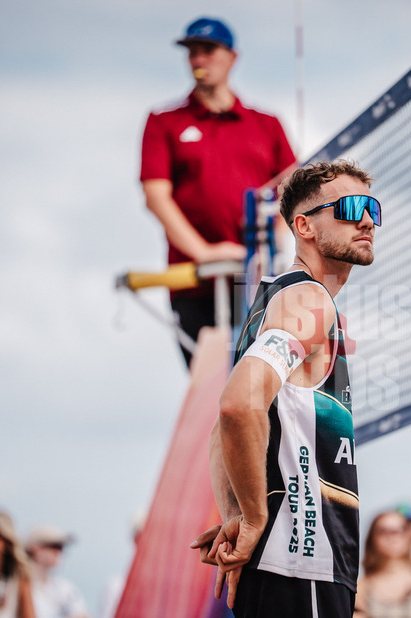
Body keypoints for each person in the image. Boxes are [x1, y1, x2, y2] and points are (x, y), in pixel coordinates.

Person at [190, 160, 378, 618]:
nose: (367, 222)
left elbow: (220, 431)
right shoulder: (308, 299)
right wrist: (252, 520)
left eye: (373, 210)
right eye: (351, 209)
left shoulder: (272, 302)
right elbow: (236, 407)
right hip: (303, 558)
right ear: (304, 225)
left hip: (282, 562)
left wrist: (236, 513)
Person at [140, 17, 297, 366]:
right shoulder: (164, 122)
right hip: (196, 284)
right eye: (192, 52)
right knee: (215, 394)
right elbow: (156, 196)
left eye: (208, 50)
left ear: (231, 57)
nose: (199, 60)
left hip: (259, 286)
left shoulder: (266, 125)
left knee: (263, 392)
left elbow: (295, 191)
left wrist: (268, 250)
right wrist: (205, 252)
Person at [26, 524, 96, 618]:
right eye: (54, 546)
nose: (59, 552)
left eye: (62, 547)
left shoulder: (65, 588)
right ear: (34, 549)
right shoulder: (21, 588)